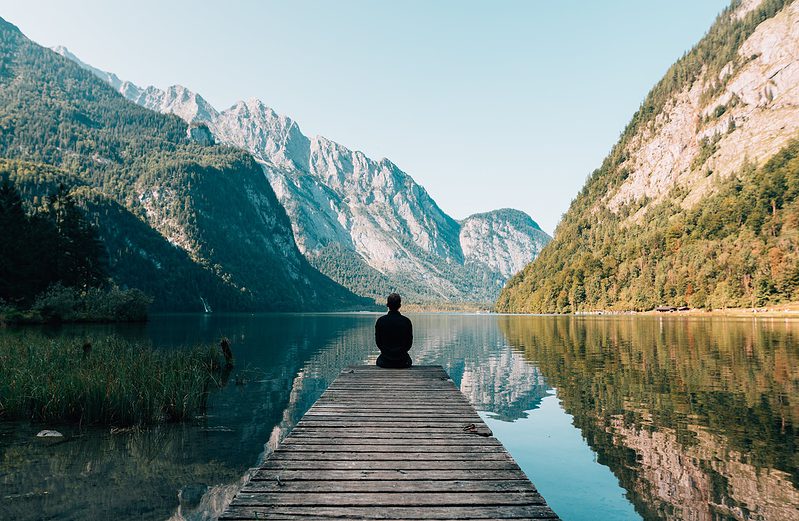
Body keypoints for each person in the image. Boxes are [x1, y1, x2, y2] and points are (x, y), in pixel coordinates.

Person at [374, 293, 413, 368]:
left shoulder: (380, 321)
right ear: (400, 306)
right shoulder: (406, 321)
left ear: (387, 305)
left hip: (384, 361)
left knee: (379, 360)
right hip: (403, 361)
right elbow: (409, 343)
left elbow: (378, 342)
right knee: (408, 360)